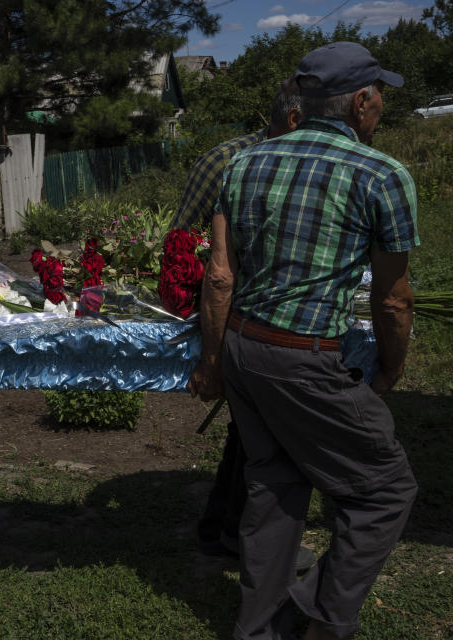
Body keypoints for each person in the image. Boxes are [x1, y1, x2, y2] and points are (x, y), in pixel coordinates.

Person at [188, 42, 419, 640]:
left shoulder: (245, 163)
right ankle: (322, 620)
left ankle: (259, 629)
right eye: (380, 95)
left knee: (274, 485)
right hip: (302, 357)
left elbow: (220, 278)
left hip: (243, 347)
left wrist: (214, 362)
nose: (381, 107)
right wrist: (390, 370)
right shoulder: (381, 174)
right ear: (361, 101)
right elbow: (393, 299)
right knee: (385, 491)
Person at [177, 78, 314, 573]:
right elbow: (187, 246)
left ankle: (221, 531)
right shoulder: (227, 162)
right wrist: (210, 352)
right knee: (266, 436)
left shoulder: (306, 163)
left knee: (250, 432)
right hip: (241, 319)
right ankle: (236, 536)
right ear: (296, 119)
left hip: (259, 318)